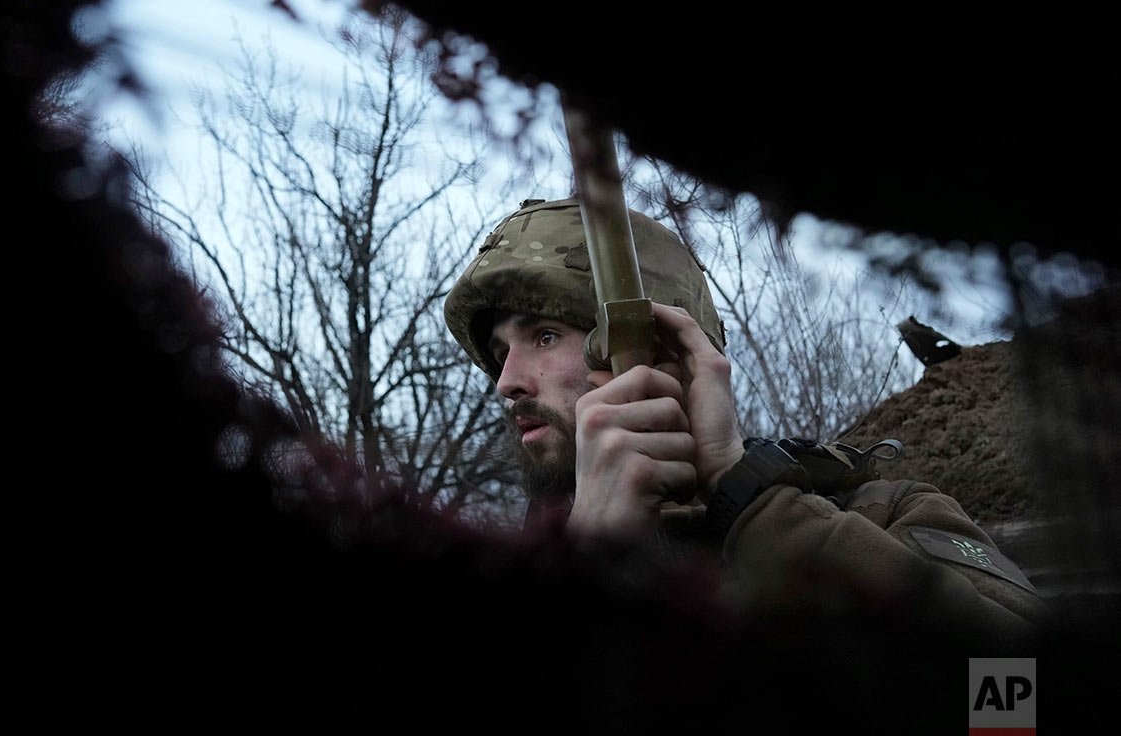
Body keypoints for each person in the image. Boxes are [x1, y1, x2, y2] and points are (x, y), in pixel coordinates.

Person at [443, 196, 1047, 644]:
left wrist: (757, 503)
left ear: (661, 349)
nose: (507, 381)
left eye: (544, 336)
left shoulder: (881, 516)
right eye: (500, 355)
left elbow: (1017, 710)